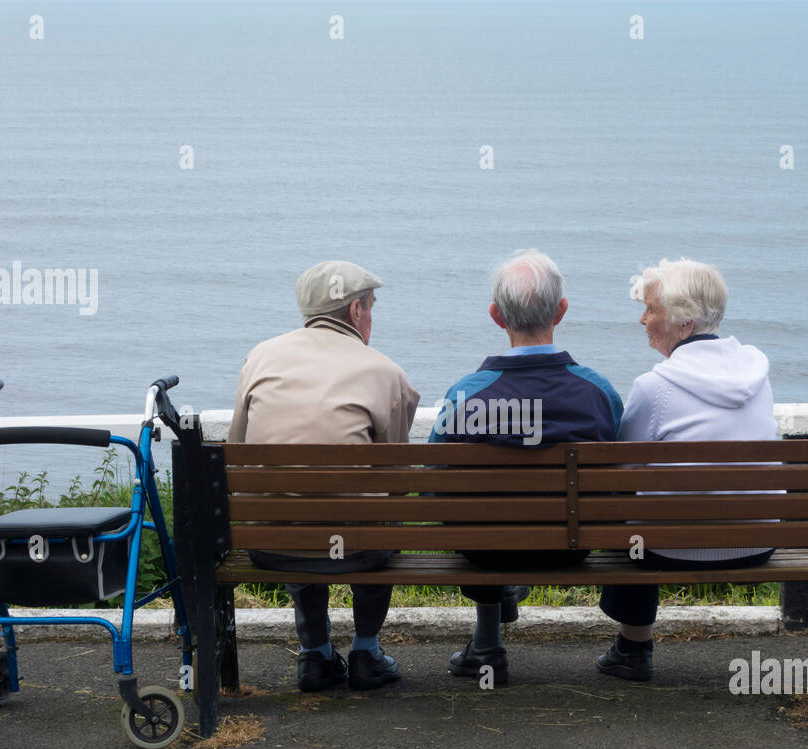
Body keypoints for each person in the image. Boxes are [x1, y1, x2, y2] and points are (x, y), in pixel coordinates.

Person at [429, 249, 623, 685]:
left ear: (496, 316)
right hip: (570, 547)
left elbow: (434, 484)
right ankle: (490, 634)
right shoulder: (598, 393)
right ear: (562, 311)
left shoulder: (465, 396)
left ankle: (488, 643)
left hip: (484, 548)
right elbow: (619, 479)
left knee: (481, 521)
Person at [229, 260, 420, 692]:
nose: (372, 317)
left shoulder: (260, 358)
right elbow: (399, 476)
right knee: (381, 518)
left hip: (275, 547)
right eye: (371, 307)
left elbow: (239, 454)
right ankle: (366, 652)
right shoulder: (385, 372)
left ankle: (315, 655)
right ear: (355, 311)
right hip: (357, 551)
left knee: (294, 514)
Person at [597, 259, 779, 681]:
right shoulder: (757, 371)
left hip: (671, 548)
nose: (643, 319)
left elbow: (621, 469)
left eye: (652, 310)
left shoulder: (654, 386)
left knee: (625, 510)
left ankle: (634, 647)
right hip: (759, 540)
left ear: (684, 324)